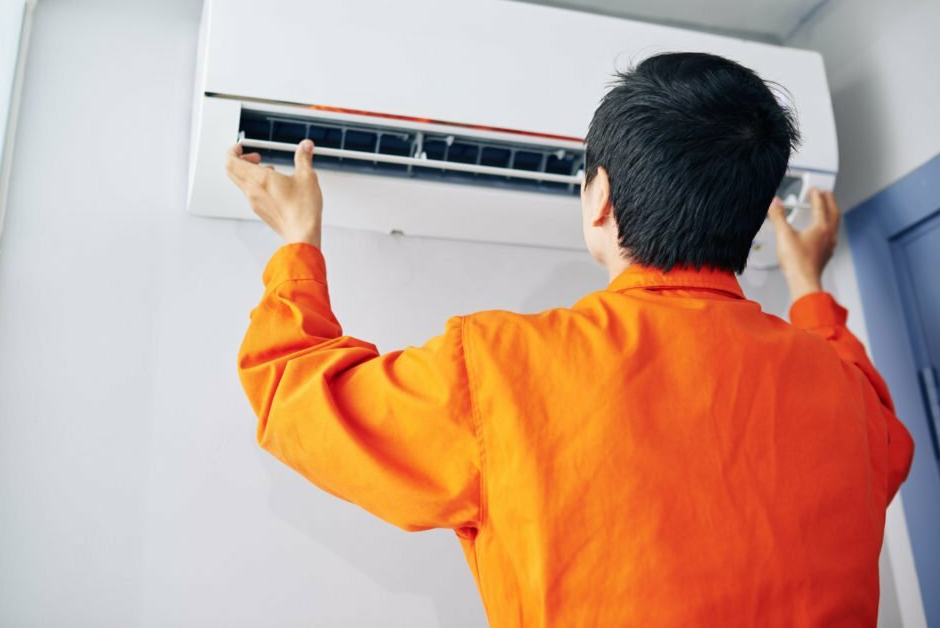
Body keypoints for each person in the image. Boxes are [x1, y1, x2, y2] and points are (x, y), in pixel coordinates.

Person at [226, 52, 913, 626]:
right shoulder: (848, 398)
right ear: (750, 218)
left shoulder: (501, 371)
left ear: (600, 199)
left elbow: (295, 394)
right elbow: (879, 430)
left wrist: (298, 240)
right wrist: (810, 293)